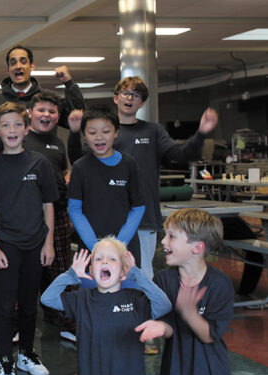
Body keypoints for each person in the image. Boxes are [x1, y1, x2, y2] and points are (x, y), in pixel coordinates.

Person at [0, 45, 84, 331]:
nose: (18, 66)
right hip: (9, 208)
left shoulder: (47, 106)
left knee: (47, 262)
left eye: (23, 61)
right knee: (0, 262)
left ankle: (52, 309)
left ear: (32, 66)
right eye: (13, 62)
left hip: (45, 205)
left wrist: (69, 83)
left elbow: (76, 114)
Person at [67, 76, 219, 279]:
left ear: (143, 103)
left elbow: (179, 155)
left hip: (142, 220)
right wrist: (74, 133)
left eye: (136, 95)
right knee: (100, 279)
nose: (130, 98)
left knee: (140, 276)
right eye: (125, 93)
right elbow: (78, 160)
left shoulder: (153, 131)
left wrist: (200, 134)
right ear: (116, 98)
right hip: (103, 223)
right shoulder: (102, 135)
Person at [41, 240, 172, 375]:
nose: (104, 262)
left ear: (123, 271)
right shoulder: (82, 299)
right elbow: (47, 298)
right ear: (91, 270)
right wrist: (70, 275)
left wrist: (137, 275)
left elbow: (164, 305)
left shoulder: (135, 299)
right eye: (98, 259)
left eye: (112, 259)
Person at [0, 91, 75, 337]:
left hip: (51, 217)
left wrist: (64, 180)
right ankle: (10, 328)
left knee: (55, 272)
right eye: (41, 110)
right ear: (30, 115)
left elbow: (63, 172)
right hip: (12, 227)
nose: (46, 115)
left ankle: (59, 318)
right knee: (10, 285)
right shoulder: (9, 144)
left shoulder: (56, 144)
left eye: (52, 111)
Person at [155, 208, 256, 375]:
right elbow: (167, 325)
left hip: (209, 366)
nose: (163, 241)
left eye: (171, 236)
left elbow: (209, 335)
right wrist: (157, 325)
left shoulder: (219, 284)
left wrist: (189, 312)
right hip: (176, 363)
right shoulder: (163, 280)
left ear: (197, 247)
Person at [0, 102, 57, 375]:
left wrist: (48, 243)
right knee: (4, 306)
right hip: (6, 246)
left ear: (26, 129)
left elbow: (48, 205)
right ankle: (5, 359)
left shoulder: (40, 163)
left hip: (35, 244)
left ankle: (26, 353)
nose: (11, 130)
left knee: (29, 304)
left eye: (17, 124)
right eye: (5, 125)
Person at [67, 106, 145, 263]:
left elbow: (138, 207)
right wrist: (95, 246)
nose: (99, 137)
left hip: (125, 247)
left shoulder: (129, 164)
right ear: (84, 135)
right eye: (92, 132)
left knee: (128, 280)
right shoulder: (80, 167)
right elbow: (75, 209)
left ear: (116, 132)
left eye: (106, 131)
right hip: (90, 248)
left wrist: (118, 245)